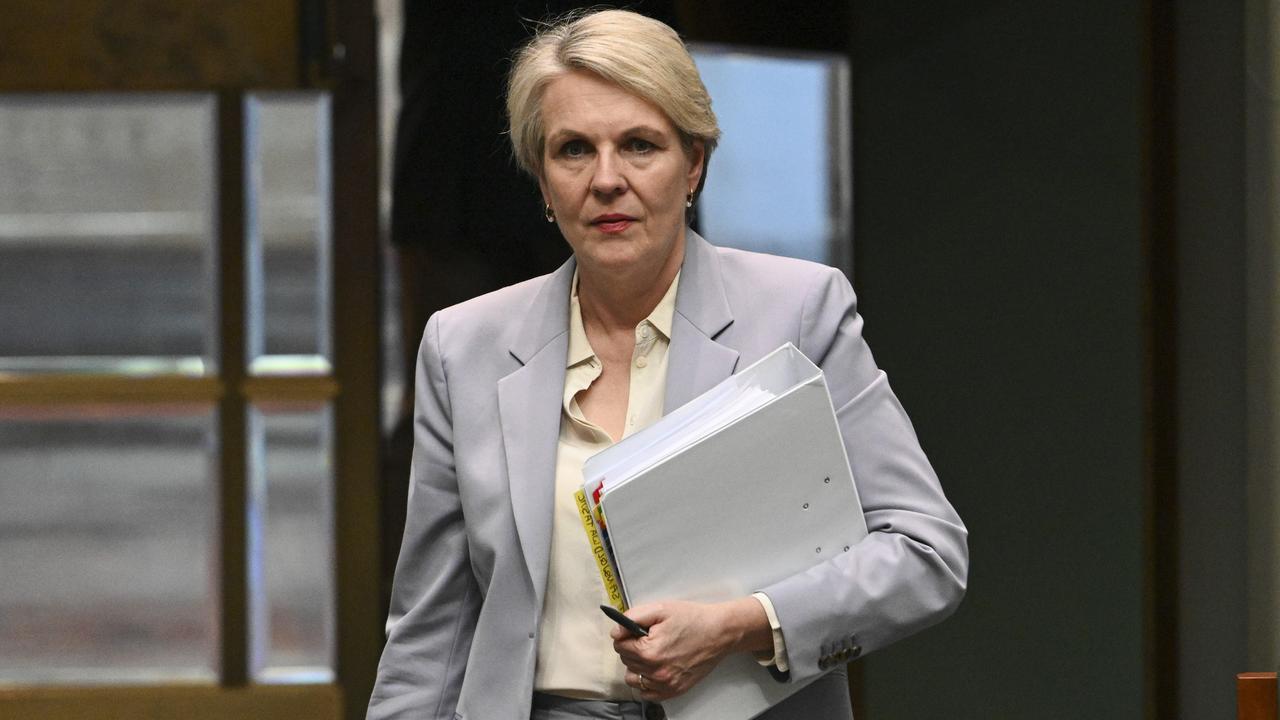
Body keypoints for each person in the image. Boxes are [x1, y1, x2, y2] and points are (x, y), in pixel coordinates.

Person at [368, 10, 968, 720]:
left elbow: (926, 554)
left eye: (640, 145)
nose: (607, 179)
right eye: (573, 150)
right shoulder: (463, 346)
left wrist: (747, 622)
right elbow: (428, 638)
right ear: (540, 181)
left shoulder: (799, 312)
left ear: (695, 164)